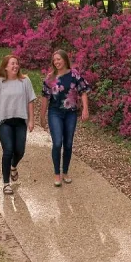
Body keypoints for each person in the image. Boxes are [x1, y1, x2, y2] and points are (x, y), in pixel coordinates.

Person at [0, 54, 37, 195]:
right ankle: (6, 183)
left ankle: (14, 166)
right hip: (3, 121)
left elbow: (30, 101)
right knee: (8, 149)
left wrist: (31, 120)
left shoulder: (25, 81)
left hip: (20, 121)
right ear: (5, 67)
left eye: (16, 63)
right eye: (12, 63)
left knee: (20, 150)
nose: (15, 66)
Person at [40, 49, 91, 187]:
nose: (56, 62)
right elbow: (45, 98)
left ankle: (66, 172)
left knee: (68, 144)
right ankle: (57, 173)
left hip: (70, 113)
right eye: (54, 60)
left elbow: (84, 91)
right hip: (54, 113)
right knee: (57, 143)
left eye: (59, 59)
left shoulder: (74, 75)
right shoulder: (50, 78)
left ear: (65, 59)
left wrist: (85, 109)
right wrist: (42, 116)